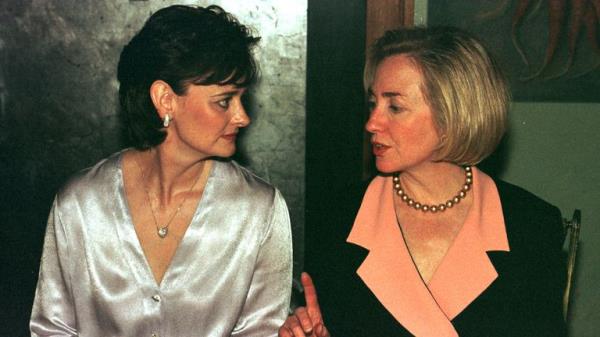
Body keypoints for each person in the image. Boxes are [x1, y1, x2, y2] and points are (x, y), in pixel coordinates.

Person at [280, 26, 566, 337]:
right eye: (373, 103)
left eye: (395, 107)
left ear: (451, 115)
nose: (371, 123)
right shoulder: (338, 219)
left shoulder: (531, 224)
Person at [30, 5, 292, 336]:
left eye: (242, 98)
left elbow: (262, 332)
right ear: (165, 99)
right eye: (224, 101)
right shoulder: (80, 205)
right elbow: (51, 329)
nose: (243, 116)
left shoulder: (259, 210)